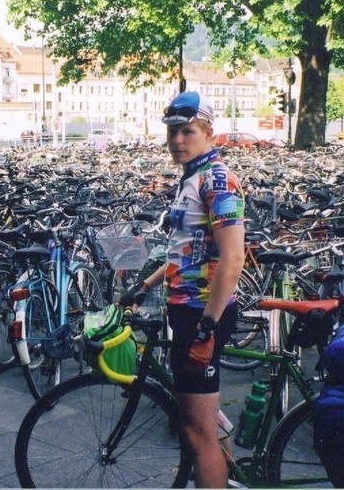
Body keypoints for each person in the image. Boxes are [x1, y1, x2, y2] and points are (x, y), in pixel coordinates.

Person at [121, 91, 245, 488]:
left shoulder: (218, 179)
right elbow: (184, 255)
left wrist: (207, 328)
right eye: (172, 131)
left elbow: (232, 260)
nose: (177, 140)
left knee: (196, 432)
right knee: (202, 420)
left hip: (202, 314)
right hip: (190, 311)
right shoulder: (192, 177)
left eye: (187, 131)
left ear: (208, 131)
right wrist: (145, 285)